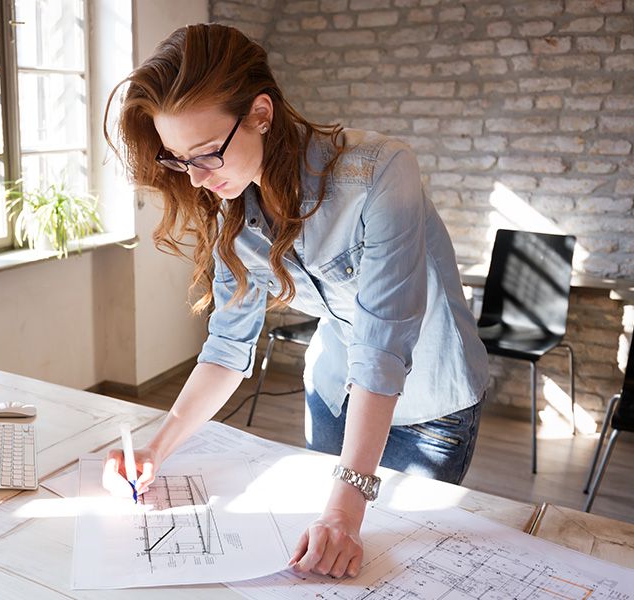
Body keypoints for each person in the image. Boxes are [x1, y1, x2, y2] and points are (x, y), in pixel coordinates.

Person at [100, 23, 489, 579]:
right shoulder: (228, 201)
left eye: (207, 154)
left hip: (429, 400)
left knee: (392, 566)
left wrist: (344, 508)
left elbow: (382, 347)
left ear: (261, 113)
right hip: (333, 390)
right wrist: (155, 450)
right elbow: (227, 346)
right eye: (179, 160)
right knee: (318, 570)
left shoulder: (381, 171)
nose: (198, 178)